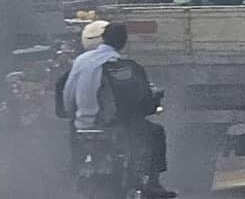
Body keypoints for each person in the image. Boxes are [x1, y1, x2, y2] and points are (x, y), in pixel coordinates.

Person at [62, 23, 176, 198]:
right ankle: (153, 182)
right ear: (123, 42)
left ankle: (72, 171)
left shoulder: (81, 62)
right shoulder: (127, 66)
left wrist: (79, 117)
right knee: (156, 132)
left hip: (84, 129)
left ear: (103, 38)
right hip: (119, 128)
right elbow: (141, 101)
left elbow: (68, 99)